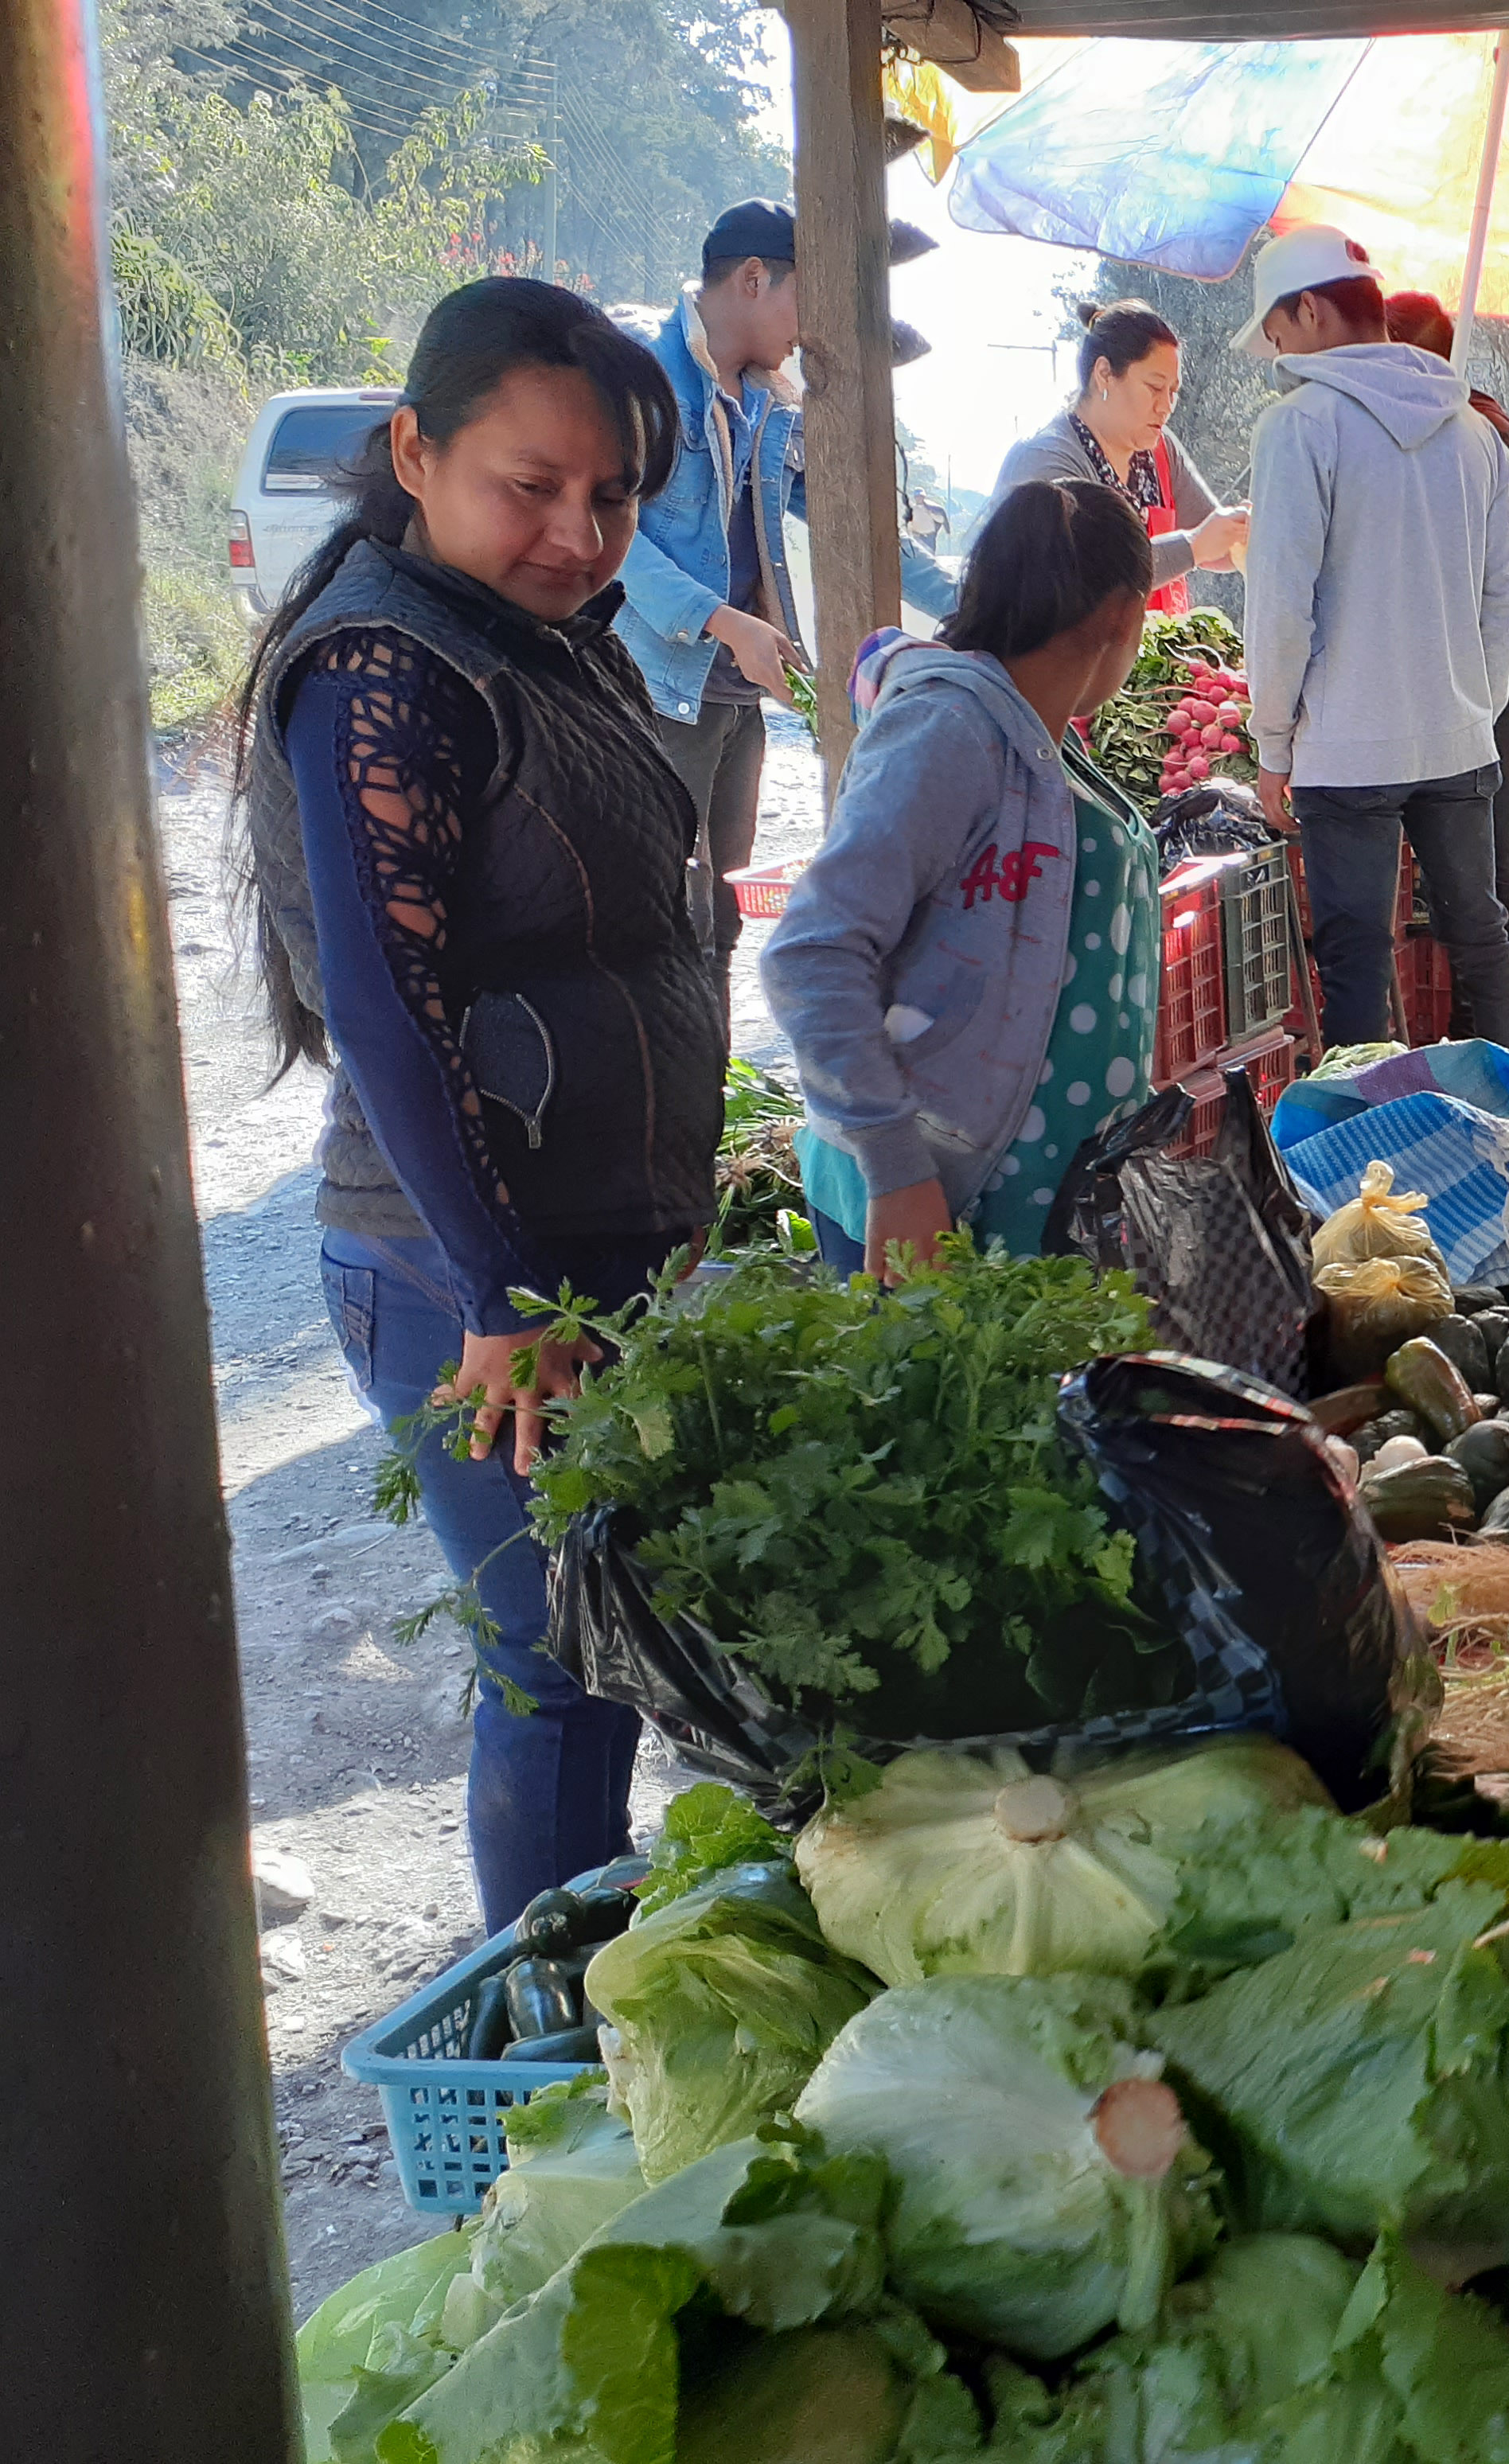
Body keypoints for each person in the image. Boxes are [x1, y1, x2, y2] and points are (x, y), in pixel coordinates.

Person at [233, 277, 718, 1933]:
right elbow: (384, 1006)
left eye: (613, 496)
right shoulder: (384, 667)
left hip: (580, 1252)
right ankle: (546, 2068)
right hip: (472, 1270)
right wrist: (507, 1294)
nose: (578, 534)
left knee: (619, 1644)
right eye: (532, 486)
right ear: (415, 454)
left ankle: (599, 2014)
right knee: (554, 1664)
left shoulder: (528, 639)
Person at [762, 479, 1163, 1281]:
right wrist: (897, 1168)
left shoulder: (1035, 735)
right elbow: (811, 953)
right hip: (929, 1202)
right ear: (1125, 616)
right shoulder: (949, 733)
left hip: (1025, 1196)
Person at [612, 201, 961, 1013]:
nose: (812, 333)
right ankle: (666, 1112)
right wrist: (722, 621)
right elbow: (613, 536)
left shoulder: (772, 400)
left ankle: (705, 1114)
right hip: (663, 685)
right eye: (809, 302)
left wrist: (979, 601)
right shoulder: (645, 374)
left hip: (737, 697)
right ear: (752, 279)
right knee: (665, 916)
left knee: (721, 919)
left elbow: (856, 524)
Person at [1238, 224, 1509, 1055]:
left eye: (1277, 327)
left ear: (1310, 312)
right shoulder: (1474, 431)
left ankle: (1362, 1166)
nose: (1275, 345)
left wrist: (1271, 742)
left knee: (1357, 957)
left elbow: (1281, 605)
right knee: (1482, 936)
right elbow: (1500, 600)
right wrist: (1475, 705)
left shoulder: (1299, 427)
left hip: (1346, 748)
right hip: (1458, 738)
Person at [1384, 290, 1509, 1031]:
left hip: (1500, 674)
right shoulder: (1422, 436)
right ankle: (1467, 1037)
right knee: (1469, 885)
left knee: (1507, 873)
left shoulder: (1486, 437)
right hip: (1438, 680)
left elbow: (1492, 575)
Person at [992, 298, 1249, 612]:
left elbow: (1215, 543)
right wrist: (1192, 546)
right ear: (1104, 374)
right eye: (1155, 387)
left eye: (1174, 392)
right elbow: (1082, 577)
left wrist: (1244, 531)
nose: (1166, 407)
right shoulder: (1047, 460)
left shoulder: (1161, 450)